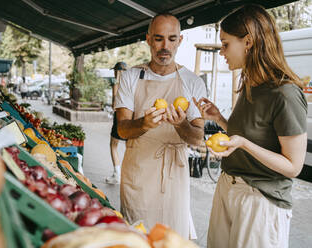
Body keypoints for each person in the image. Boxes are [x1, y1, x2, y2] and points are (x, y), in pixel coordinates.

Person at [193, 5, 307, 248]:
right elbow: (246, 135)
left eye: (226, 44)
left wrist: (243, 144)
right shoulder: (250, 84)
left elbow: (293, 167)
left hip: (261, 201)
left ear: (248, 42)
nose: (222, 51)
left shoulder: (285, 94)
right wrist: (220, 120)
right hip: (228, 187)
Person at [115, 13, 207, 240]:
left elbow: (197, 138)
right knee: (136, 239)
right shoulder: (131, 76)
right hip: (138, 175)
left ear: (180, 41)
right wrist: (144, 124)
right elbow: (122, 129)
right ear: (148, 39)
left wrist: (181, 124)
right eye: (158, 38)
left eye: (172, 39)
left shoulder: (192, 82)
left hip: (174, 178)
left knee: (170, 239)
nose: (165, 46)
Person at [105, 62, 127, 184]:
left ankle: (117, 174)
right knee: (129, 147)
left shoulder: (116, 84)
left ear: (116, 72)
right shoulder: (130, 84)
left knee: (113, 146)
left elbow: (114, 105)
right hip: (129, 117)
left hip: (118, 117)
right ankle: (125, 174)